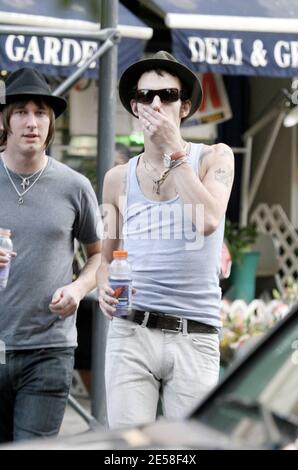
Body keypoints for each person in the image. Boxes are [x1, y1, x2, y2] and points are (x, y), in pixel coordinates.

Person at [97, 51, 234, 429]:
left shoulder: (214, 157)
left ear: (184, 106)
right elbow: (106, 259)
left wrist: (175, 150)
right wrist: (104, 285)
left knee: (189, 449)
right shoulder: (116, 179)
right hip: (131, 331)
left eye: (168, 95)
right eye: (145, 96)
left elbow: (206, 220)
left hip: (195, 332)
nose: (156, 103)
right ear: (134, 108)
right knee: (127, 450)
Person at [0, 67, 101, 442]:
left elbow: (99, 256)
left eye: (41, 112)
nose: (32, 122)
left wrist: (77, 290)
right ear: (4, 119)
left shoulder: (74, 186)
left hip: (49, 350)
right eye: (22, 111)